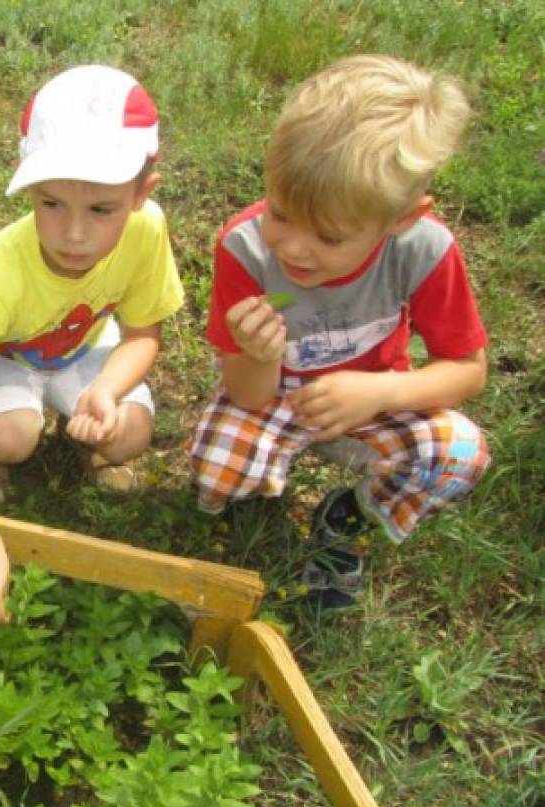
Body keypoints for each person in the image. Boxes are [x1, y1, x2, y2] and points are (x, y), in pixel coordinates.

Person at [188, 55, 490, 610]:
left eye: (328, 236)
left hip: (374, 398)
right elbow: (249, 393)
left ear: (403, 218)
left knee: (460, 451)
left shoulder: (424, 249)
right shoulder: (246, 248)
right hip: (275, 395)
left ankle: (348, 521)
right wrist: (257, 354)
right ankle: (251, 511)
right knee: (217, 466)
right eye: (280, 213)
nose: (294, 247)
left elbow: (467, 370)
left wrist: (380, 393)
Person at [0, 65, 185, 624]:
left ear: (143, 193)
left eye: (101, 209)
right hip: (8, 360)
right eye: (51, 203)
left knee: (129, 435)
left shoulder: (147, 230)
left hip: (86, 349)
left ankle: (86, 432)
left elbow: (142, 336)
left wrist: (108, 391)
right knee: (13, 438)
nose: (74, 234)